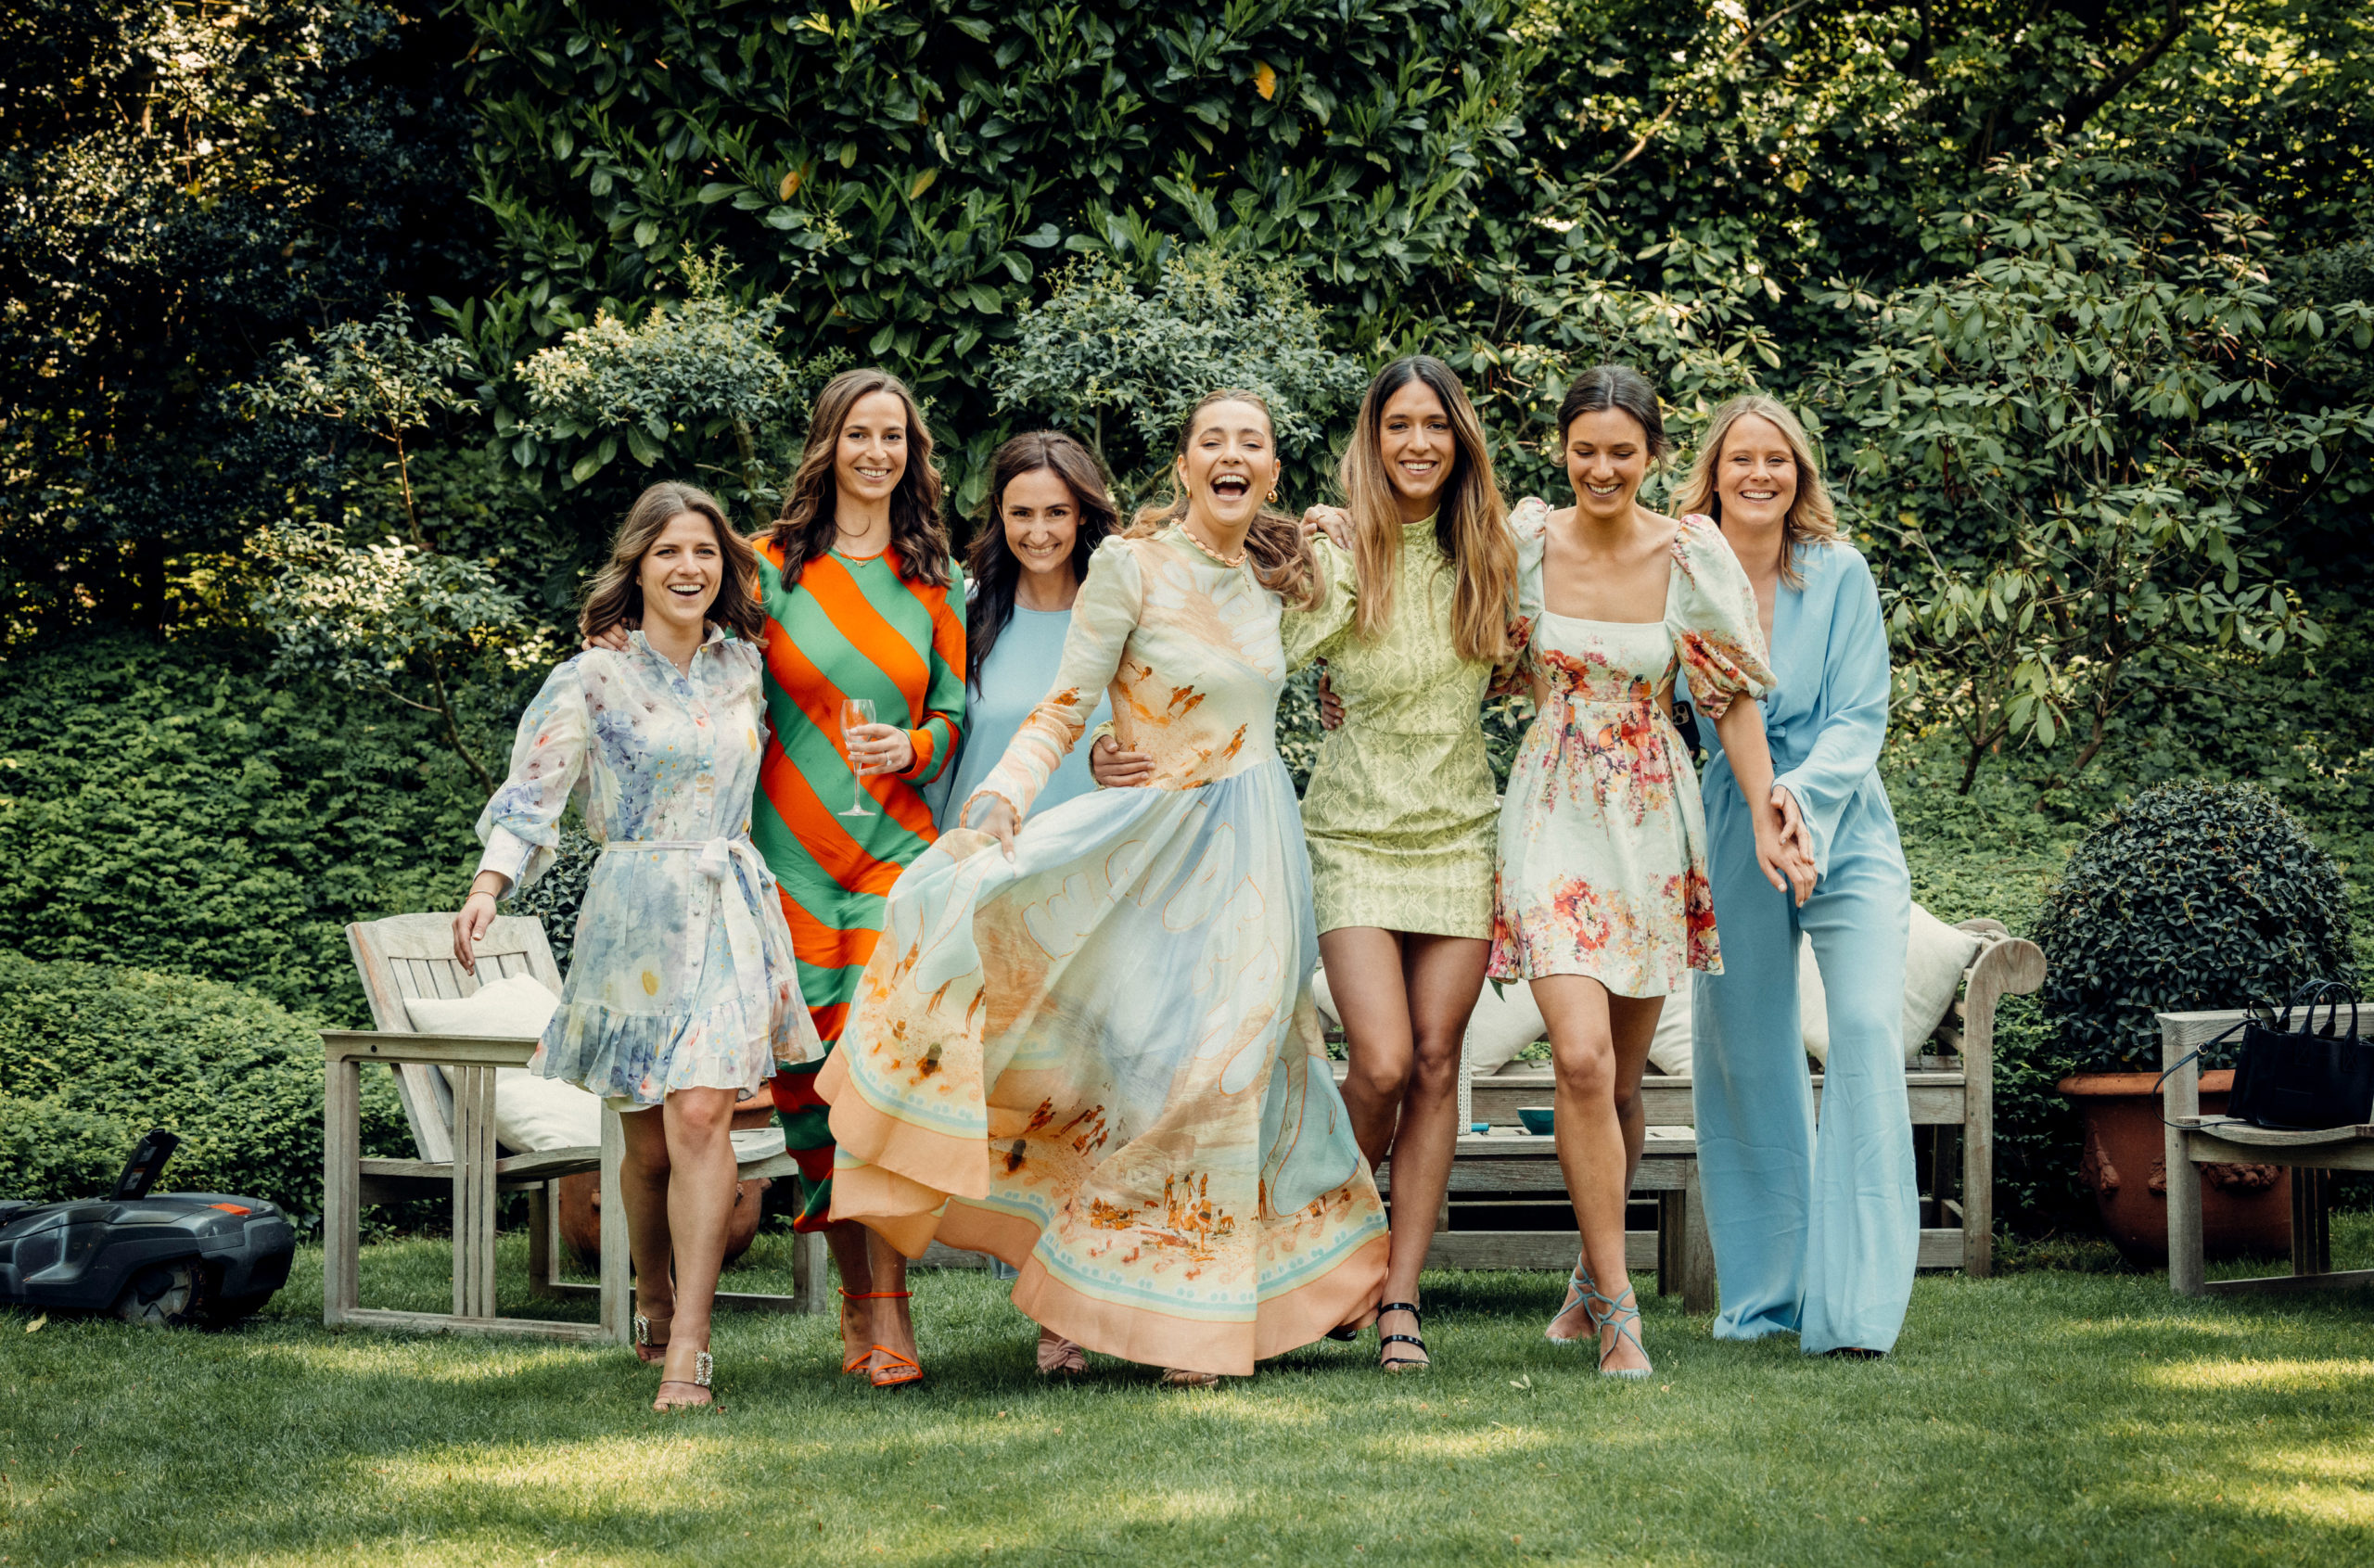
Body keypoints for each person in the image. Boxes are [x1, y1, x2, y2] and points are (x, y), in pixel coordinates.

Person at [820, 390, 1388, 1386]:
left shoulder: (1278, 579)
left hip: (1257, 851)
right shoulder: (1130, 565)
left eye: (1251, 443)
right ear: (1183, 465)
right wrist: (1000, 796)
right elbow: (1064, 704)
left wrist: (1342, 531)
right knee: (1144, 1073)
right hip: (1149, 850)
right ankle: (1114, 1302)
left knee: (1233, 1072)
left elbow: (1363, 604)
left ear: (1270, 470)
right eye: (1211, 440)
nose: (1231, 454)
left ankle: (1202, 1313)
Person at [1097, 356, 1516, 1372]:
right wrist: (1121, 738)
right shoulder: (1331, 552)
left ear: (1460, 440)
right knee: (1380, 1061)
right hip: (1352, 831)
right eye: (1397, 425)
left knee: (1436, 1062)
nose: (1417, 443)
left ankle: (1396, 1294)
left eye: (1435, 425)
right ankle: (1310, 1254)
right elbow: (1217, 641)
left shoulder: (1497, 555)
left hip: (1462, 831)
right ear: (1372, 440)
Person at [585, 369, 964, 1390]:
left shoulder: (937, 582)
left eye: (893, 436)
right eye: (858, 434)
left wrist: (916, 744)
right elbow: (687, 643)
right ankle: (852, 1293)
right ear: (827, 445)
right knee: (807, 1087)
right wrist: (619, 643)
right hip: (782, 860)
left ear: (913, 453)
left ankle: (892, 1306)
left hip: (894, 855)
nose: (876, 452)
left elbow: (954, 714)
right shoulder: (765, 567)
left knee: (882, 1076)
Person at [453, 481, 820, 1412]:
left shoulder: (748, 665)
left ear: (724, 566)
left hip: (728, 909)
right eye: (669, 551)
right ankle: (652, 1294)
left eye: (705, 551)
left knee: (701, 1116)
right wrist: (489, 886)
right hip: (633, 923)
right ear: (639, 565)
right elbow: (532, 795)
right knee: (649, 1148)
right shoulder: (590, 676)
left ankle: (688, 1347)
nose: (689, 567)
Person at [1493, 364, 1806, 1378]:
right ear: (1561, 449)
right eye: (1583, 450)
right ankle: (1620, 1304)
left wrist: (1765, 812)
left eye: (1621, 451)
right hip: (1550, 807)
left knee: (1622, 1082)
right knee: (1581, 1061)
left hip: (1650, 817)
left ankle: (1586, 1280)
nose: (1601, 468)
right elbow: (1462, 652)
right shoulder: (1524, 544)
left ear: (1653, 456)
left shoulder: (1689, 556)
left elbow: (1729, 700)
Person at [1678, 394, 1917, 1358]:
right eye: (1741, 458)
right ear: (1714, 473)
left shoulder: (1840, 571)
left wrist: (1800, 798)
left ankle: (1855, 1309)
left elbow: (1862, 713)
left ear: (1798, 473)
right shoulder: (1681, 569)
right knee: (1745, 1051)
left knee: (1863, 1027)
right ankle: (1765, 1297)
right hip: (1733, 822)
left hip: (1843, 817)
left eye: (1776, 458)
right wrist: (1761, 801)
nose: (1759, 473)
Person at [925, 429, 1120, 1374]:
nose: (1040, 530)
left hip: (1110, 882)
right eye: (1021, 513)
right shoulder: (972, 618)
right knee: (1032, 1101)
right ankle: (1054, 1301)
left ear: (1085, 514)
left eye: (1057, 512)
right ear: (996, 517)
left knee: (1104, 1096)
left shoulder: (1122, 609)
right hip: (1003, 891)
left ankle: (1094, 1302)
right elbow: (948, 746)